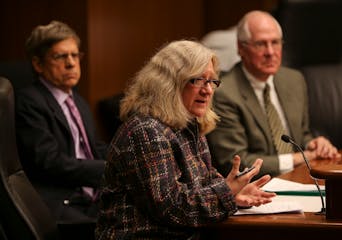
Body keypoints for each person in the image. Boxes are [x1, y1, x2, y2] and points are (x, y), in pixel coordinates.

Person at [95, 40, 276, 239]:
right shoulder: (146, 132)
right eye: (198, 80)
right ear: (169, 83)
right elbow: (171, 208)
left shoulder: (188, 125)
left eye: (211, 81)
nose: (207, 90)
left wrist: (234, 194)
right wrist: (226, 192)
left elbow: (205, 182)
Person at [206, 10, 341, 178]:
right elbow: (236, 163)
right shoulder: (223, 93)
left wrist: (314, 145)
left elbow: (301, 134)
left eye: (275, 42)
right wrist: (299, 158)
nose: (270, 52)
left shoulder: (294, 80)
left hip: (299, 178)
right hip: (256, 187)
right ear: (241, 48)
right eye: (261, 44)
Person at [15, 21, 107, 222]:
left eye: (75, 55)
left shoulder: (79, 101)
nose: (71, 63)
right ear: (38, 64)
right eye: (60, 56)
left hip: (93, 194)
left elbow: (93, 148)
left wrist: (126, 157)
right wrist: (107, 169)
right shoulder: (29, 102)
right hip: (61, 199)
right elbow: (50, 162)